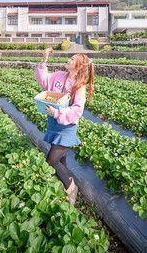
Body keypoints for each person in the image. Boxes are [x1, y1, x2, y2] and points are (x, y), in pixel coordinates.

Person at [35, 47, 95, 205]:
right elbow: (44, 81)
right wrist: (44, 59)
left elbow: (77, 110)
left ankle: (70, 187)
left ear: (78, 67)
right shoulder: (58, 76)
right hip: (53, 124)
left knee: (51, 161)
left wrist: (56, 113)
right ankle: (64, 183)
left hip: (66, 127)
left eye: (72, 59)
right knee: (61, 161)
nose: (68, 60)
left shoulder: (79, 86)